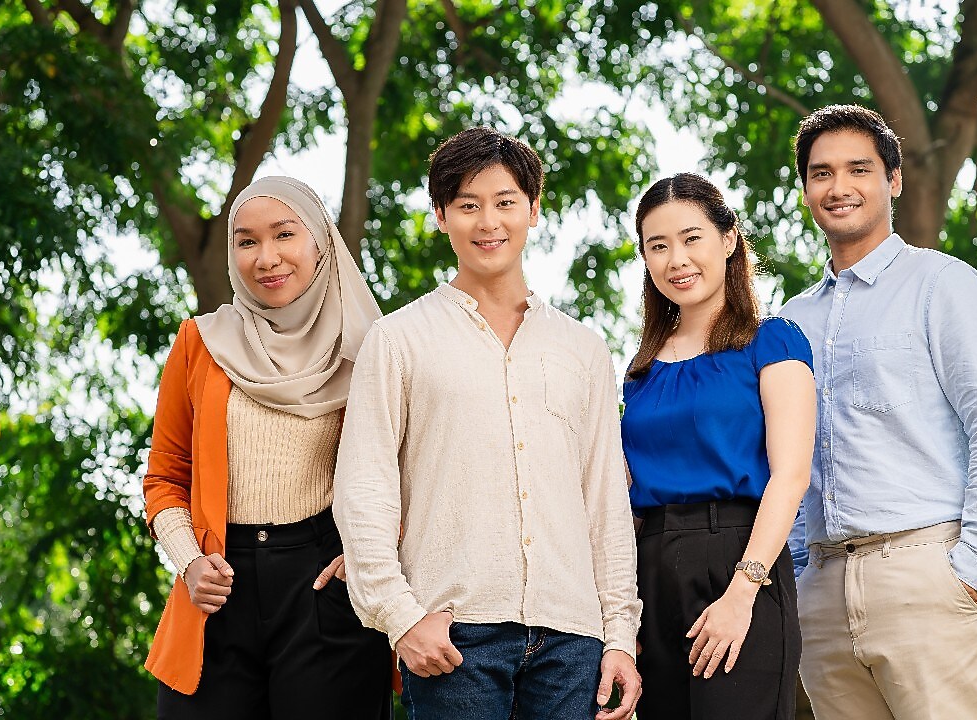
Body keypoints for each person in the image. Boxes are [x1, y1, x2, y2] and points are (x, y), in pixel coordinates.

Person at [333, 127, 642, 720]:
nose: (488, 222)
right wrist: (401, 618)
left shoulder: (583, 349)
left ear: (533, 209)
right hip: (453, 634)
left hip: (574, 638)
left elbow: (605, 500)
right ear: (441, 215)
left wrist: (620, 637)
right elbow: (364, 488)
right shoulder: (398, 339)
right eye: (468, 205)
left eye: (505, 202)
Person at [779, 104, 977, 719]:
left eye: (858, 169)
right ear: (806, 190)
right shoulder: (789, 321)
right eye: (821, 173)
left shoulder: (942, 284)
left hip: (929, 575)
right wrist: (800, 575)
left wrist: (973, 568)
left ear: (893, 180)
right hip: (823, 596)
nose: (838, 187)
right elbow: (789, 461)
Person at [142, 176, 391, 718]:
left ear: (320, 242)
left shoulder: (371, 349)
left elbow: (406, 475)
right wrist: (190, 563)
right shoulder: (199, 343)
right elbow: (165, 478)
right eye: (247, 241)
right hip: (217, 587)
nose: (266, 258)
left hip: (327, 586)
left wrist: (366, 557)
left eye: (284, 234)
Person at [620, 173, 815, 719]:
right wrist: (622, 614)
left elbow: (791, 476)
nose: (676, 259)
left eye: (691, 238)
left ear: (728, 240)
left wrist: (742, 591)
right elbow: (626, 493)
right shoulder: (640, 372)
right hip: (651, 572)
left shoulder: (772, 340)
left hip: (739, 558)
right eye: (658, 246)